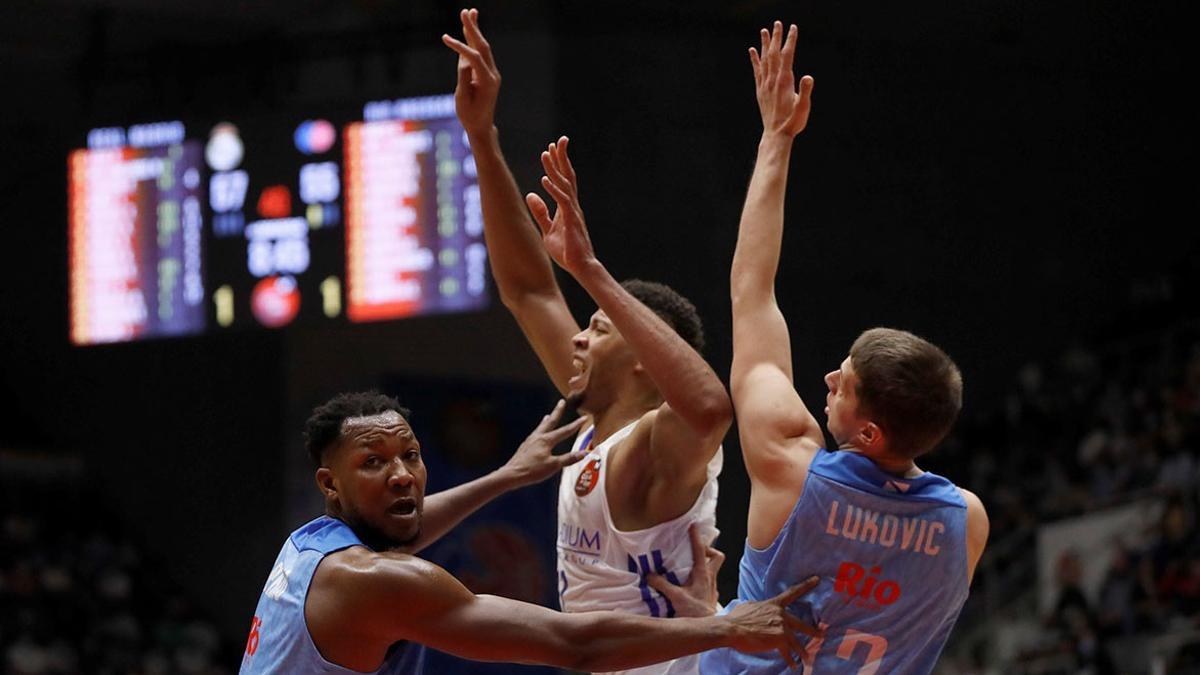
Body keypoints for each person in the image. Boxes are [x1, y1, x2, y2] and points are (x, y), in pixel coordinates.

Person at [442, 10, 734, 672]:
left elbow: (712, 409)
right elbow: (528, 291)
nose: (577, 340)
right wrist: (482, 139)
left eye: (597, 330)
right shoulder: (595, 424)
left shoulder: (655, 449)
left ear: (642, 360)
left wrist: (592, 271)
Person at [699, 22, 990, 674]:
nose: (829, 376)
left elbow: (752, 292)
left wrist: (776, 139)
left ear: (869, 430)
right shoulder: (965, 522)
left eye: (846, 381)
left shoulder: (790, 465)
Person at [239, 392, 819, 674]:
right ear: (330, 483)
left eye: (410, 455)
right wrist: (723, 627)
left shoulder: (312, 546)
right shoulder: (376, 583)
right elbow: (576, 646)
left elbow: (405, 529)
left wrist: (504, 477)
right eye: (373, 463)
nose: (401, 476)